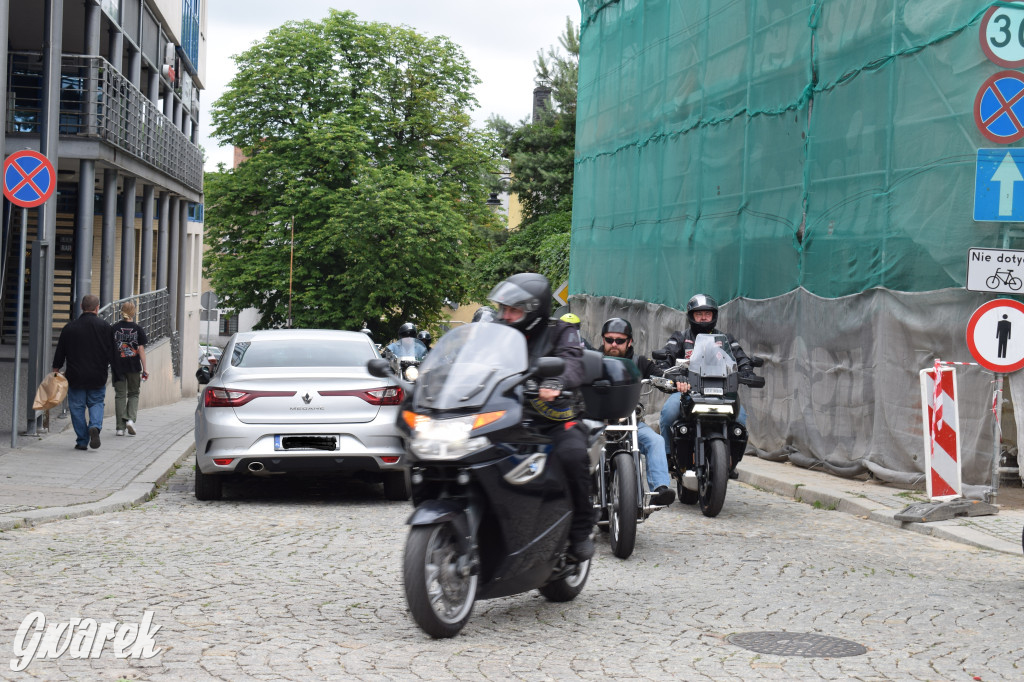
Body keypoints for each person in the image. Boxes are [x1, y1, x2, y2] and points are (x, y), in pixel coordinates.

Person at [488, 273, 595, 560]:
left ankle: (581, 531)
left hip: (555, 419)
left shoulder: (561, 331)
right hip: (505, 416)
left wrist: (556, 381)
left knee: (572, 455)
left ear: (534, 311)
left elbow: (572, 361)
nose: (506, 316)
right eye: (503, 309)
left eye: (513, 310)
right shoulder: (495, 332)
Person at [657, 294, 753, 479]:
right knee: (668, 412)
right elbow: (666, 358)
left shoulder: (725, 339)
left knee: (740, 417)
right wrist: (671, 374)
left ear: (713, 316)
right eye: (699, 313)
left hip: (721, 392)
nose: (703, 317)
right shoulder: (680, 338)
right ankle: (668, 457)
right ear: (691, 316)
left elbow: (740, 357)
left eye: (707, 314)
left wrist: (747, 370)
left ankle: (730, 461)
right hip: (687, 391)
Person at [599, 317, 675, 505]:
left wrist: (676, 381)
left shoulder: (640, 362)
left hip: (630, 423)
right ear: (603, 340)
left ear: (629, 341)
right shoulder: (593, 360)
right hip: (597, 423)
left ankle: (660, 490)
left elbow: (662, 376)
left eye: (620, 340)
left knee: (656, 440)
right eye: (609, 340)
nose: (614, 344)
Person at [51, 294, 113, 451]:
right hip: (97, 375)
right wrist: (117, 372)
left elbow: (60, 351)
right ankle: (95, 426)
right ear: (97, 308)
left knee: (77, 408)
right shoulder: (105, 327)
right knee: (96, 402)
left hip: (75, 376)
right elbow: (112, 352)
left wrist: (56, 369)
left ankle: (82, 440)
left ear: (81, 307)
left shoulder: (69, 328)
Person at [111, 301, 148, 436]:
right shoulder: (138, 329)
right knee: (133, 393)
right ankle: (130, 419)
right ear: (134, 312)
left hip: (118, 367)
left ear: (122, 311)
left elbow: (110, 348)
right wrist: (145, 369)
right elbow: (141, 351)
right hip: (133, 366)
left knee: (120, 395)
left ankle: (120, 428)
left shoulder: (114, 328)